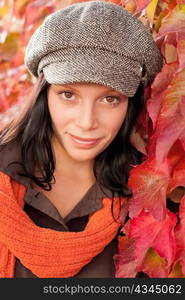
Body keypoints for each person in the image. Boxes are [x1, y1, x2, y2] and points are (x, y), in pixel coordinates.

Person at [0, 1, 163, 278]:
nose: (87, 122)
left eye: (110, 99)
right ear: (44, 94)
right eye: (68, 95)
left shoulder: (149, 198)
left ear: (130, 105)